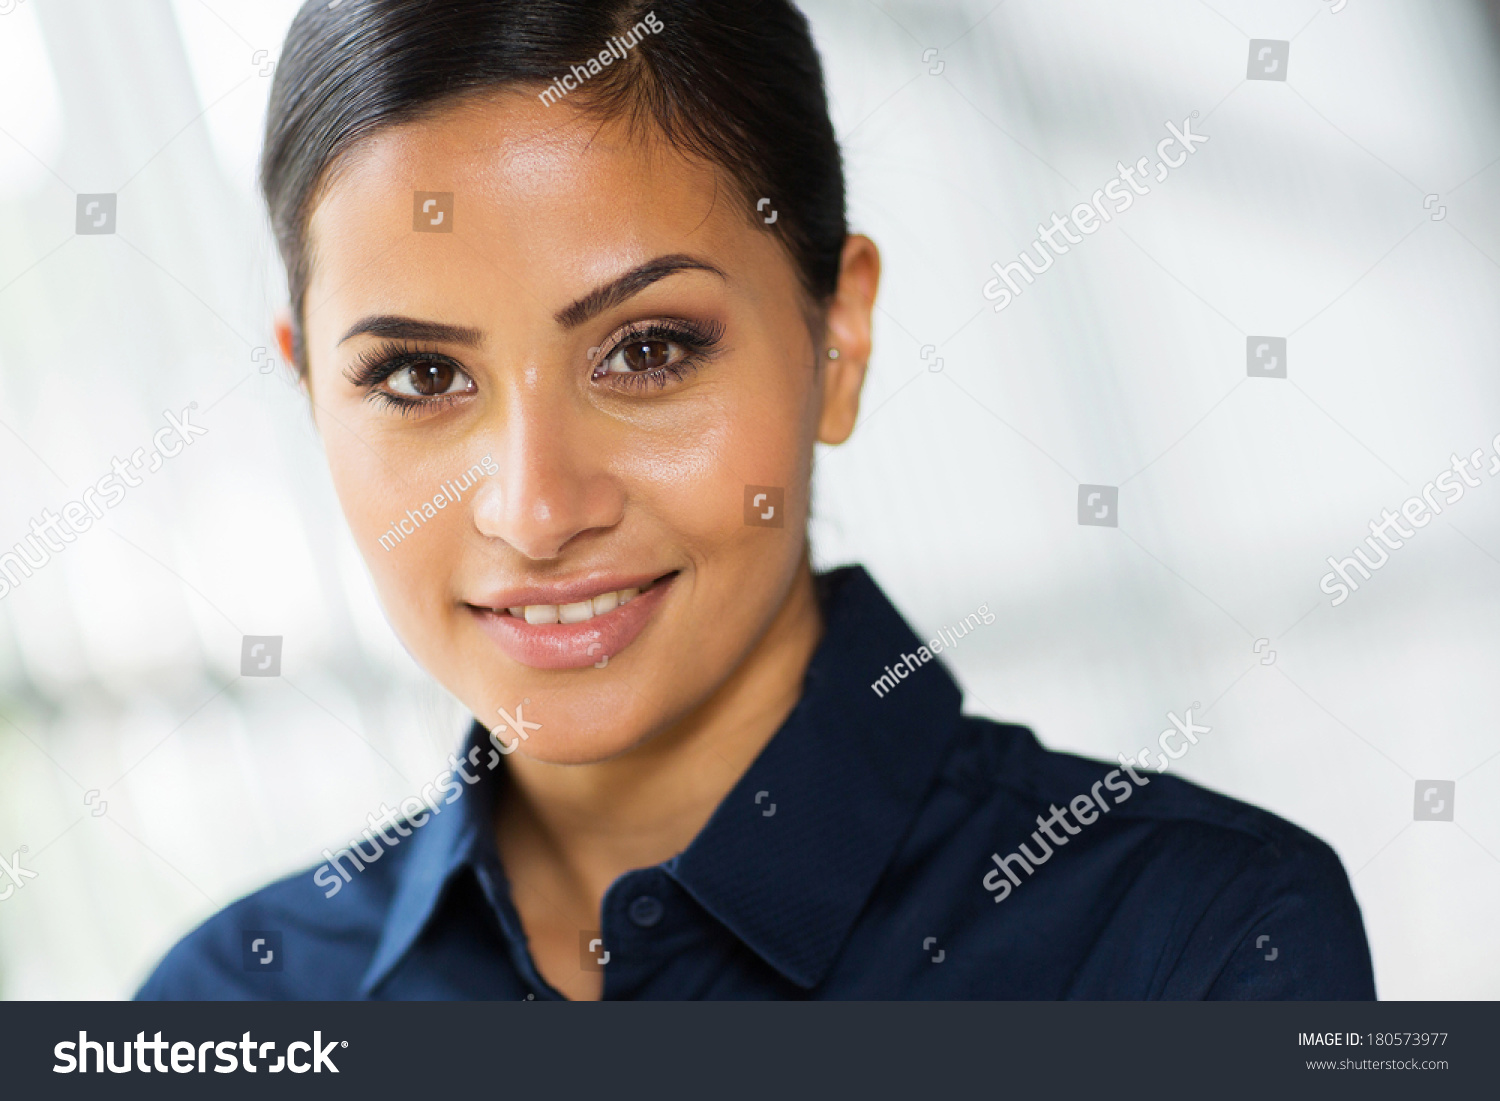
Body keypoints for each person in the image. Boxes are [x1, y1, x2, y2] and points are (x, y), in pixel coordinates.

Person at [137, 0, 1374, 1000]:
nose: (536, 508)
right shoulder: (225, 1007)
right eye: (419, 376)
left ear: (837, 335)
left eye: (649, 351)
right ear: (309, 390)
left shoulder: (1194, 944)